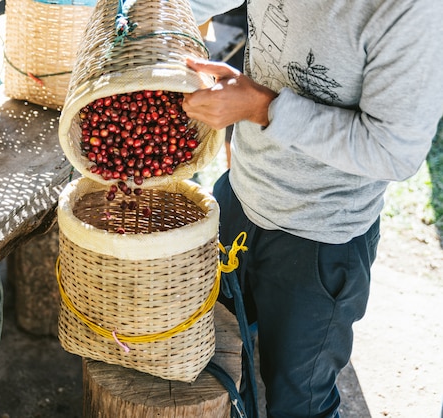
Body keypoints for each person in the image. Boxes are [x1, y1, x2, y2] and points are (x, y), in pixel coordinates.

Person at [182, 1, 443, 417]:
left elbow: (393, 151)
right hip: (240, 196)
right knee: (217, 360)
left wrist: (262, 108)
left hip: (317, 244)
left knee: (299, 403)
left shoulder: (412, 13)